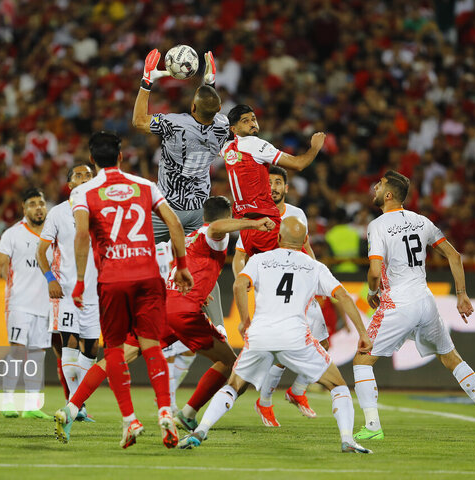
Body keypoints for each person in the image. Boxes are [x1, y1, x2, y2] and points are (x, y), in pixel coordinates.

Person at [178, 216, 373, 454]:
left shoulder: (260, 259)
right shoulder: (314, 266)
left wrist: (244, 321)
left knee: (234, 385)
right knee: (338, 386)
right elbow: (342, 296)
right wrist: (362, 333)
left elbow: (239, 284)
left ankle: (201, 430)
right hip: (295, 337)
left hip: (260, 335)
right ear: (305, 241)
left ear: (279, 238)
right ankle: (347, 440)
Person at [55, 131, 194, 449]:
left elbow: (80, 237)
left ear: (92, 159)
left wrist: (79, 280)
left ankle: (130, 419)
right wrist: (182, 265)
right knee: (151, 346)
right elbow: (174, 223)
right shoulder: (145, 186)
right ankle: (163, 412)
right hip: (147, 276)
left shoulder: (84, 192)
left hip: (113, 279)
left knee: (115, 351)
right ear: (120, 156)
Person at [352, 170, 475, 440]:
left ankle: (373, 426)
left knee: (362, 360)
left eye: (379, 185)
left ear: (388, 195)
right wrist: (462, 294)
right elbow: (454, 255)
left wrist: (372, 291)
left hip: (398, 303)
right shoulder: (421, 221)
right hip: (425, 302)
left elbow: (376, 271)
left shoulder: (377, 226)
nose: (374, 189)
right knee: (452, 358)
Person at [157, 196, 275, 433]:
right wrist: (253, 223)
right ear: (229, 215)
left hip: (166, 305)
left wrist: (197, 292)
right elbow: (217, 227)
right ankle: (189, 412)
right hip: (184, 310)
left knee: (126, 353)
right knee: (230, 362)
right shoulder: (213, 236)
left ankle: (74, 406)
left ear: (202, 215)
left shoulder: (191, 237)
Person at [131, 48, 228, 329]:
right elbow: (212, 110)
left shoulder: (174, 124)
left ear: (193, 107)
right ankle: (219, 325)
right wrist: (209, 83)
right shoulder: (223, 127)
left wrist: (146, 81)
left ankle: (138, 319)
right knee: (204, 268)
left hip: (167, 211)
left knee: (135, 254)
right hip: (198, 211)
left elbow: (138, 121)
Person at [232, 165, 329, 425]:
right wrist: (243, 279)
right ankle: (264, 402)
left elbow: (305, 246)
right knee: (282, 349)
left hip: (301, 288)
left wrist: (317, 281)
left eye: (277, 183)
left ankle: (295, 392)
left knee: (323, 343)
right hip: (276, 294)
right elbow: (239, 255)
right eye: (268, 183)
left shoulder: (297, 214)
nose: (273, 187)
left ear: (285, 188)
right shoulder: (255, 215)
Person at [0, 188, 51, 420]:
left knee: (37, 353)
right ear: (24, 208)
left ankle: (31, 405)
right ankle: (8, 400)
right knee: (17, 350)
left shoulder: (53, 233)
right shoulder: (13, 234)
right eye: (32, 204)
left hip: (44, 304)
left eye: (41, 203)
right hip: (19, 302)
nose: (38, 208)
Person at [222, 104, 326, 257]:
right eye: (245, 121)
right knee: (306, 266)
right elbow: (298, 164)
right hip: (266, 225)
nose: (252, 123)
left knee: (268, 277)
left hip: (247, 230)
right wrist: (315, 148)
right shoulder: (254, 144)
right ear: (234, 129)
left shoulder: (226, 148)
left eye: (253, 119)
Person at [36, 162, 97, 421]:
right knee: (70, 342)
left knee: (92, 349)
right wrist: (50, 278)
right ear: (69, 184)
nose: (84, 179)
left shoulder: (104, 210)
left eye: (89, 175)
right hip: (68, 289)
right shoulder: (59, 213)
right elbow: (40, 251)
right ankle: (76, 406)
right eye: (78, 176)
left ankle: (76, 402)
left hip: (96, 290)